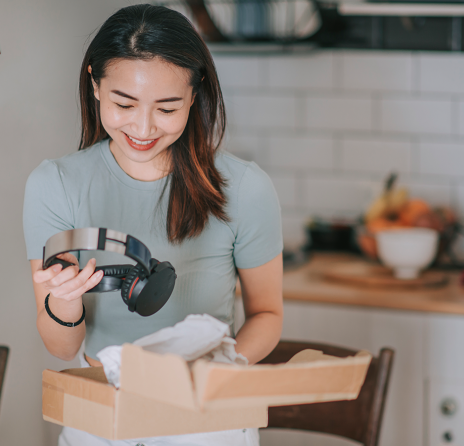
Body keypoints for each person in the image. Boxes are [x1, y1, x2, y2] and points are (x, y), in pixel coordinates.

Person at [22, 4, 283, 445]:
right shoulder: (56, 185)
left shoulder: (245, 187)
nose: (143, 127)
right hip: (101, 420)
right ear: (95, 85)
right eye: (125, 103)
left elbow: (268, 315)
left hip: (207, 418)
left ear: (195, 93)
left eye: (167, 108)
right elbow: (64, 348)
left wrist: (217, 368)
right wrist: (64, 303)